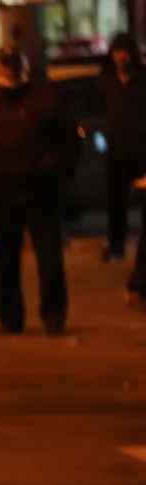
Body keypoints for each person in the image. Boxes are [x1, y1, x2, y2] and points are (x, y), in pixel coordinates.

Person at [0, 45, 80, 334]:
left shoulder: (44, 102)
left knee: (48, 255)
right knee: (7, 258)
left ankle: (53, 316)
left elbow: (68, 143)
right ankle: (11, 318)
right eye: (5, 66)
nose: (8, 71)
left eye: (12, 65)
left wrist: (56, 175)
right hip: (4, 190)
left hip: (39, 190)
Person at [99, 32, 146, 304]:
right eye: (117, 51)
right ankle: (116, 245)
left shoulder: (141, 81)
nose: (121, 56)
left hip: (140, 152)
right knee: (115, 201)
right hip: (117, 152)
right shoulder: (107, 82)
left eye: (124, 51)